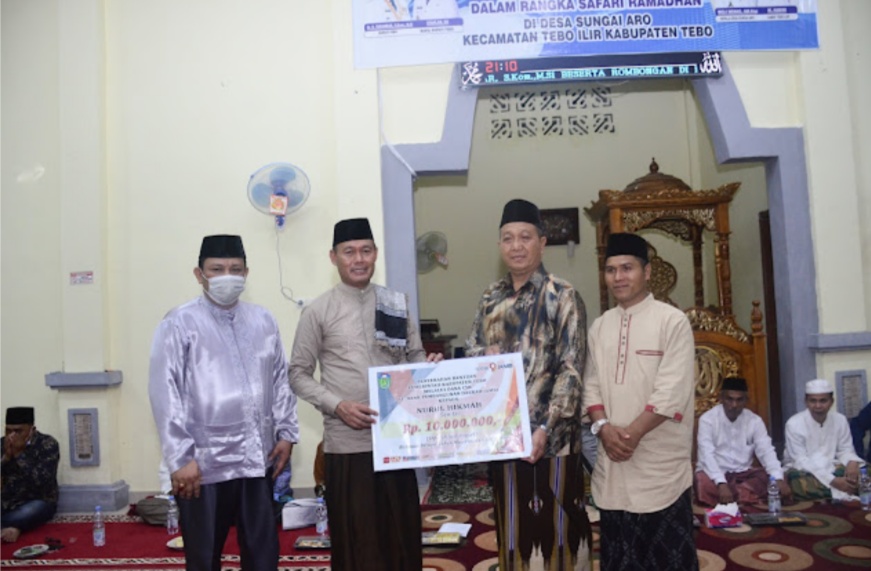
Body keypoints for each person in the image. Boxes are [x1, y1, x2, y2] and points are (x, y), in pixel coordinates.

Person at [289, 217, 442, 571]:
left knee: (401, 537)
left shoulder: (395, 304)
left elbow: (414, 357)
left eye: (366, 250)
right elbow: (297, 373)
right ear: (334, 257)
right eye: (349, 252)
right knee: (358, 542)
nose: (358, 259)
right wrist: (337, 405)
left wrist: (429, 368)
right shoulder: (318, 311)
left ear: (376, 254)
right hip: (348, 444)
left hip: (396, 442)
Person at [149, 234, 298, 571]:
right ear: (199, 274)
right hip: (203, 465)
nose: (227, 276)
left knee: (263, 553)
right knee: (204, 556)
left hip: (257, 459)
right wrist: (180, 458)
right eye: (217, 269)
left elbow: (280, 380)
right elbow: (164, 392)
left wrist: (286, 433)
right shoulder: (179, 322)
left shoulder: (263, 320)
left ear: (246, 273)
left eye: (235, 269)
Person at [465, 199, 590, 571]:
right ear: (499, 245)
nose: (516, 246)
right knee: (514, 532)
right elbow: (472, 353)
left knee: (561, 534)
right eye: (508, 238)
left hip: (553, 441)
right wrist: (481, 356)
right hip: (504, 439)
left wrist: (544, 428)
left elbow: (572, 369)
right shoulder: (490, 298)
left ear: (542, 243)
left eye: (525, 237)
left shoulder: (563, 295)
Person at [583, 232, 698, 571]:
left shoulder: (672, 321)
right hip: (614, 465)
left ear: (646, 272)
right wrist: (604, 429)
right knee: (619, 560)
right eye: (611, 270)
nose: (618, 277)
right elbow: (590, 386)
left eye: (627, 268)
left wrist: (629, 436)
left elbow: (671, 392)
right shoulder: (600, 326)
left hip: (659, 467)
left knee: (666, 560)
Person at [695, 377, 792, 506]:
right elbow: (706, 455)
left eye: (739, 400)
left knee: (777, 477)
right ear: (721, 398)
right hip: (715, 473)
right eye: (730, 399)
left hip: (744, 473)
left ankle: (738, 495)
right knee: (702, 481)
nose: (734, 405)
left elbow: (766, 451)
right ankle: (744, 495)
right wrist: (721, 482)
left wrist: (778, 478)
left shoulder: (754, 421)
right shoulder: (708, 420)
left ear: (746, 400)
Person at [783, 378, 864, 501]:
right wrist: (832, 480)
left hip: (832, 465)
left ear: (831, 401)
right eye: (813, 401)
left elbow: (845, 449)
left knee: (864, 472)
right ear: (806, 402)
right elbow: (801, 460)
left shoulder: (840, 420)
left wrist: (852, 462)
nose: (818, 406)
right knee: (798, 482)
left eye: (823, 401)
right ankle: (848, 489)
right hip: (804, 469)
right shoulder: (794, 423)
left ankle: (836, 490)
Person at [1, 407, 60, 543]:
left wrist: (19, 454)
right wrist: (6, 458)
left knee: (31, 512)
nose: (12, 436)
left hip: (38, 500)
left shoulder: (48, 444)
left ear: (32, 430)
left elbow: (42, 482)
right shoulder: (2, 444)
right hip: (8, 500)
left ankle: (15, 526)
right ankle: (13, 527)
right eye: (8, 431)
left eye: (18, 431)